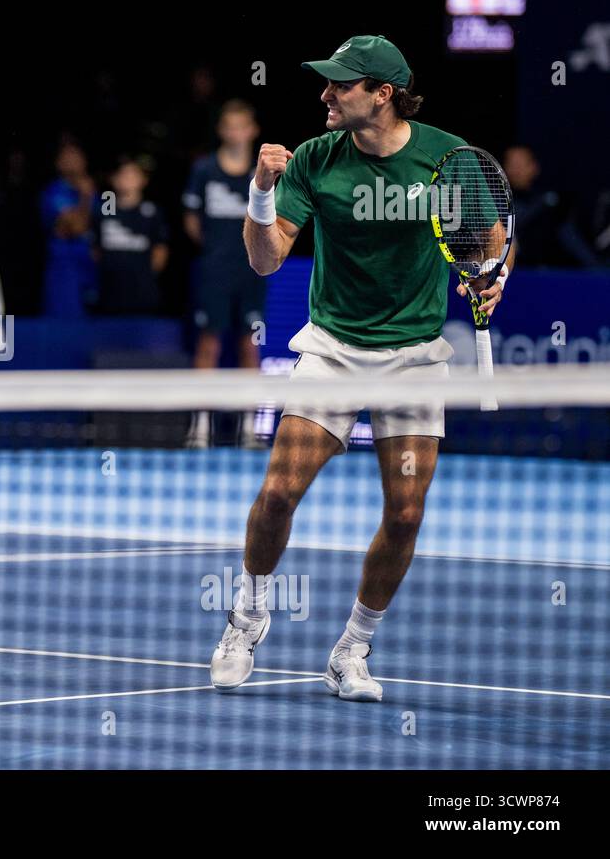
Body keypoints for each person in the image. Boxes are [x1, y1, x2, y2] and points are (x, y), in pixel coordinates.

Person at [210, 35, 513, 701]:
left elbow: (492, 238)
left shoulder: (445, 157)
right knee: (279, 492)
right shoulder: (316, 159)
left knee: (405, 514)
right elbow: (265, 260)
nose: (324, 94)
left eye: (339, 85)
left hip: (413, 356)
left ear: (382, 94)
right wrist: (261, 194)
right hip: (334, 349)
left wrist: (492, 279)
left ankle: (351, 649)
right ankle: (248, 616)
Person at [183, 100, 265, 447]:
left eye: (241, 125)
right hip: (213, 271)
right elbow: (191, 221)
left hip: (252, 272)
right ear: (221, 131)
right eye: (228, 126)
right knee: (208, 345)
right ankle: (200, 428)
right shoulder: (203, 170)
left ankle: (249, 429)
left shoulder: (262, 172)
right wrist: (217, 250)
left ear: (252, 131)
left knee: (250, 346)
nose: (235, 132)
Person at [92, 158, 168, 314]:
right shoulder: (108, 206)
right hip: (110, 292)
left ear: (143, 180)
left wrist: (143, 275)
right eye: (122, 175)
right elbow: (96, 248)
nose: (127, 179)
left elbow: (160, 251)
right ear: (114, 179)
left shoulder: (151, 211)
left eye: (133, 175)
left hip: (143, 292)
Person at [504, 144, 600, 269]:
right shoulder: (493, 204)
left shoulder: (550, 205)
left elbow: (572, 240)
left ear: (534, 167)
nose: (516, 170)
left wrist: (596, 268)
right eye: (512, 164)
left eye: (521, 164)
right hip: (506, 274)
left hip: (544, 274)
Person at [38, 140, 97, 317]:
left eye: (76, 156)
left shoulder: (103, 194)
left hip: (93, 267)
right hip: (65, 268)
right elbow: (74, 227)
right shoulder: (53, 192)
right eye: (67, 157)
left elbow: (109, 221)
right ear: (58, 163)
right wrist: (86, 198)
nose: (72, 161)